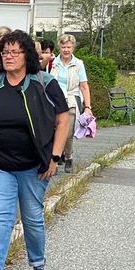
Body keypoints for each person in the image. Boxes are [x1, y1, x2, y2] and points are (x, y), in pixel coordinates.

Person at [0, 30, 69, 270]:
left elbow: (63, 119)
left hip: (34, 166)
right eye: (5, 52)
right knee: (1, 217)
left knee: (32, 218)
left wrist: (55, 156)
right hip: (0, 164)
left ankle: (38, 267)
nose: (9, 57)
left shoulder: (44, 82)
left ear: (27, 55)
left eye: (15, 52)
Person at [49, 34, 92, 173]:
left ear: (73, 47)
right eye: (63, 47)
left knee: (67, 133)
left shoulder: (78, 64)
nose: (66, 50)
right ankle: (54, 160)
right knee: (53, 132)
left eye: (69, 47)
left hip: (71, 101)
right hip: (54, 101)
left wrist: (87, 107)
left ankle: (68, 156)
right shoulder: (53, 63)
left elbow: (84, 86)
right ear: (59, 47)